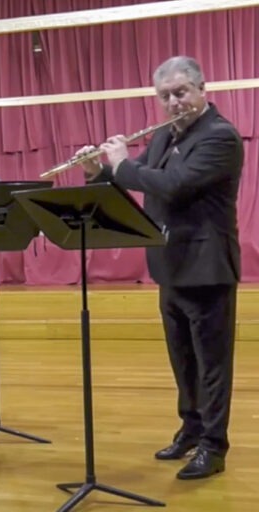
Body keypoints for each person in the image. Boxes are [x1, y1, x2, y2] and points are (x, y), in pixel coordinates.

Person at [78, 56, 243, 480]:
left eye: (180, 92)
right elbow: (139, 182)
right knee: (182, 360)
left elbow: (173, 185)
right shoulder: (165, 136)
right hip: (169, 264)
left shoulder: (220, 136)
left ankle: (214, 446)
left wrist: (122, 165)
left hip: (207, 268)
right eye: (165, 96)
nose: (173, 102)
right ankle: (191, 429)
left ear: (202, 89)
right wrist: (99, 171)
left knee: (211, 365)